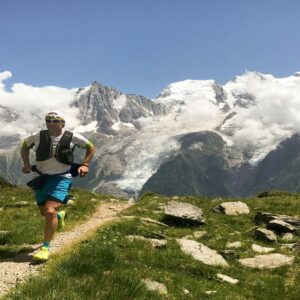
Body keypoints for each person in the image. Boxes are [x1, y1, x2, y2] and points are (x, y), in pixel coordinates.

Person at [21, 111, 96, 262]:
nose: (51, 123)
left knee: (49, 211)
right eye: (48, 120)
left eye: (55, 121)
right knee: (45, 213)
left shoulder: (72, 136)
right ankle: (60, 216)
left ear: (63, 123)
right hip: (41, 178)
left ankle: (45, 248)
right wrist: (27, 164)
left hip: (62, 178)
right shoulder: (38, 136)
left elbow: (91, 147)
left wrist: (85, 164)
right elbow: (24, 146)